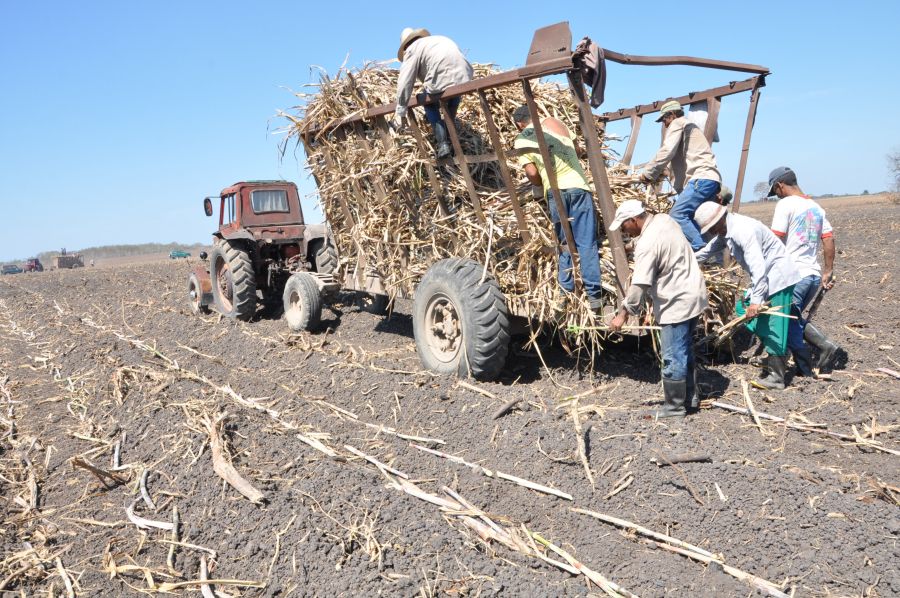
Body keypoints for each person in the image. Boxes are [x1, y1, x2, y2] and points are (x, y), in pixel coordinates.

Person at [608, 200, 709, 417]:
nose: (625, 231)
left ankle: (673, 407)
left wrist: (623, 314)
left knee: (672, 355)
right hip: (694, 294)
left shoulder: (647, 244)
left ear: (634, 220)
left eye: (624, 226)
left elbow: (640, 284)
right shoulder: (665, 219)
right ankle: (690, 399)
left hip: (677, 301)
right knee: (685, 350)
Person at [694, 202, 803, 390]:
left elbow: (758, 266)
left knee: (774, 323)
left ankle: (777, 377)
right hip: (768, 277)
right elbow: (706, 252)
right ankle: (824, 347)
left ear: (720, 219)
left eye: (711, 228)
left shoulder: (742, 231)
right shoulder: (725, 231)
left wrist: (756, 301)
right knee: (744, 309)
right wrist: (681, 262)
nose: (710, 232)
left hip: (777, 277)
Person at [512, 105, 604, 313]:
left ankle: (565, 293)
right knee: (587, 243)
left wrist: (538, 183)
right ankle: (595, 298)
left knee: (564, 244)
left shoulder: (523, 137)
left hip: (556, 191)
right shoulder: (556, 122)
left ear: (519, 124)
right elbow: (578, 150)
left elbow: (532, 172)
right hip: (580, 187)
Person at [768, 166, 841, 373]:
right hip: (812, 276)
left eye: (775, 191)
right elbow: (828, 239)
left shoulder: (785, 205)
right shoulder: (816, 207)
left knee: (786, 320)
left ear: (779, 185)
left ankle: (813, 358)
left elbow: (775, 239)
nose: (776, 196)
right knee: (794, 317)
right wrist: (828, 270)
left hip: (794, 275)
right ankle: (812, 358)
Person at [635, 100, 722, 251]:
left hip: (701, 179)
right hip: (710, 179)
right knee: (700, 219)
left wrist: (648, 174)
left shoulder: (678, 123)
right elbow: (676, 159)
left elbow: (666, 151)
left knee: (677, 214)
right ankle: (715, 253)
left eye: (664, 119)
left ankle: (700, 249)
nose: (665, 124)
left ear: (672, 114)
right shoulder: (688, 128)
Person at [391, 28, 473, 159]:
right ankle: (449, 132)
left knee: (427, 101)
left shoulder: (412, 49)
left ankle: (443, 144)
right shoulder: (438, 39)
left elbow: (405, 81)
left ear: (405, 45)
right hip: (464, 76)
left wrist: (401, 109)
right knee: (453, 97)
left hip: (441, 77)